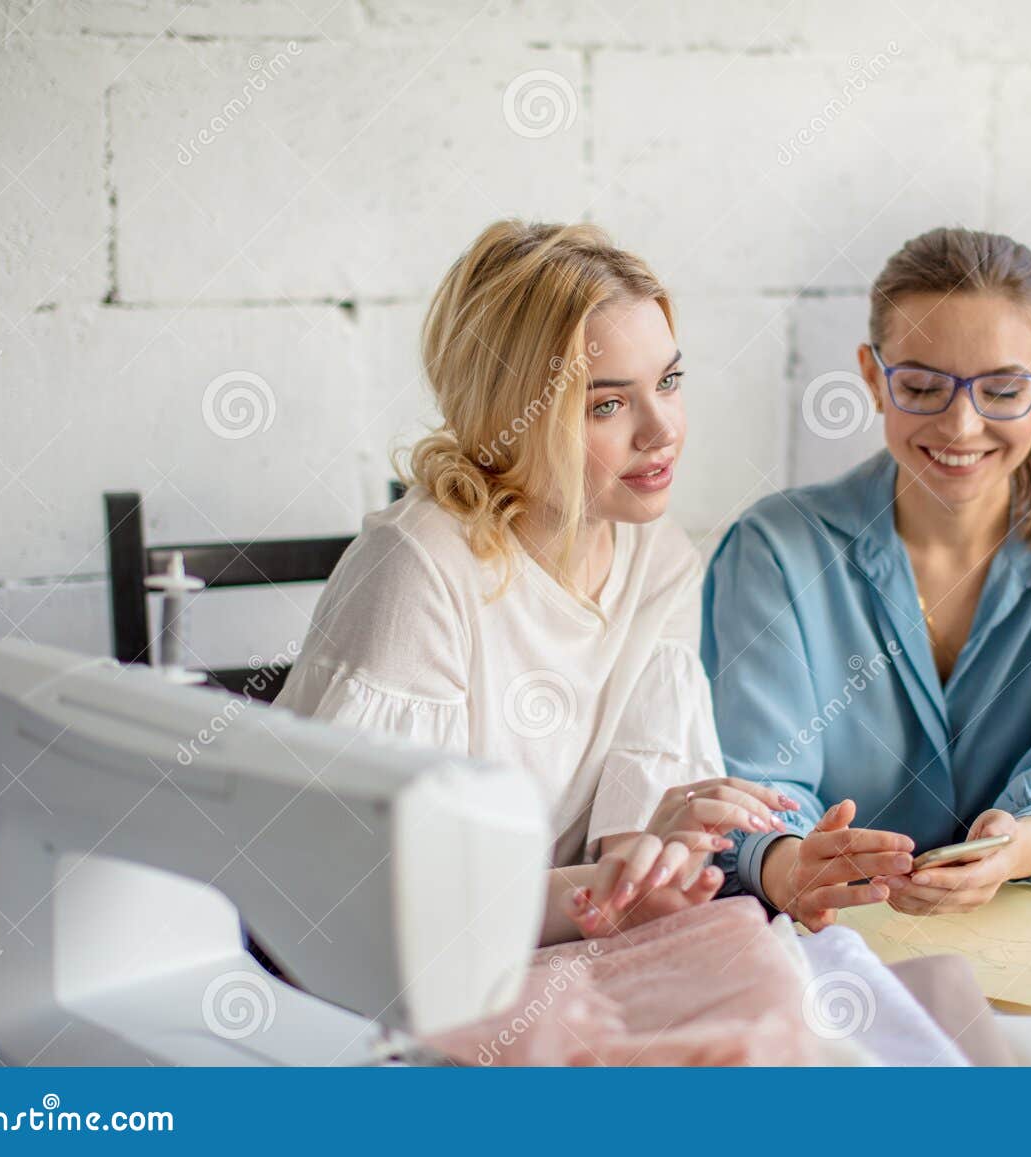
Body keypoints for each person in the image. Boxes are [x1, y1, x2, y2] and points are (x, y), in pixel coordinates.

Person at [276, 220, 792, 944]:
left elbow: (628, 871)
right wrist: (607, 892)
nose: (661, 430)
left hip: (558, 946)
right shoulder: (419, 566)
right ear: (510, 417)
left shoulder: (661, 557)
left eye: (668, 383)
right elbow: (367, 901)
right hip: (390, 973)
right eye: (607, 404)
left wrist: (660, 859)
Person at [703, 226, 1031, 932]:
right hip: (829, 939)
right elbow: (754, 798)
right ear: (872, 377)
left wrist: (1018, 847)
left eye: (1002, 388)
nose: (962, 425)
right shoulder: (774, 551)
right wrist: (800, 866)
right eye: (923, 386)